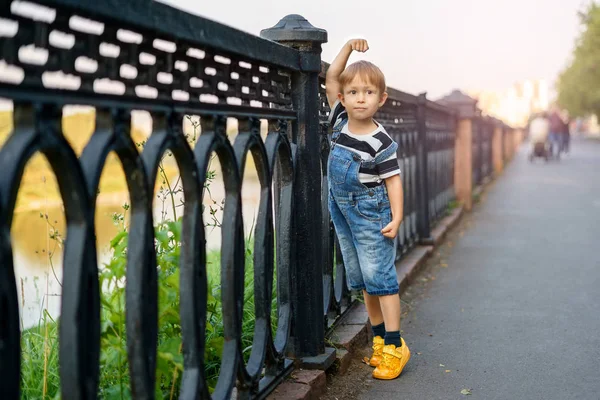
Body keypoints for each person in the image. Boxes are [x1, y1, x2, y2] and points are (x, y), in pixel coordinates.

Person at [325, 38, 410, 380]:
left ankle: (395, 345)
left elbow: (393, 182)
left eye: (369, 92)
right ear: (343, 99)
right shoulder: (339, 121)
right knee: (363, 280)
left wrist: (398, 216)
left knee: (382, 279)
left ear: (381, 99)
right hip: (342, 210)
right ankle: (378, 340)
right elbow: (333, 76)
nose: (361, 98)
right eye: (355, 92)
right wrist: (347, 47)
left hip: (372, 213)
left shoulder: (382, 142)